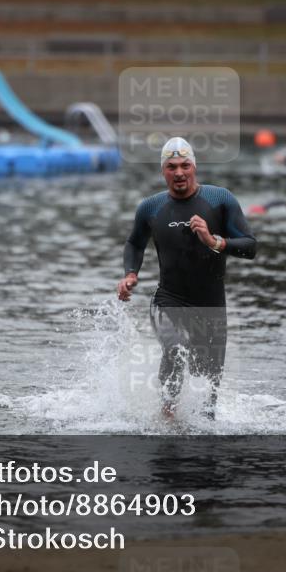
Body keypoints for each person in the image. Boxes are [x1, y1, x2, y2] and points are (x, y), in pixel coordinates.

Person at [117, 137, 257, 421]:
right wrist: (130, 274)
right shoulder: (150, 207)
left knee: (208, 392)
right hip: (168, 300)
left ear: (194, 167)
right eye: (171, 166)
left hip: (211, 307)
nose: (179, 172)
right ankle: (166, 416)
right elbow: (134, 244)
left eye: (185, 165)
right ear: (163, 171)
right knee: (175, 347)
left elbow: (250, 246)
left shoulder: (220, 200)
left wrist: (213, 240)